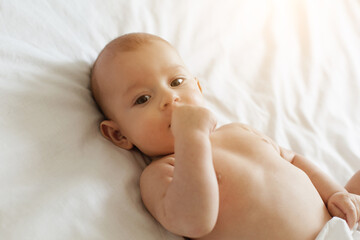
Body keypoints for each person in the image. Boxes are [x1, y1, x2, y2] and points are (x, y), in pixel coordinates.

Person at [90, 32, 360, 240]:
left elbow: (293, 159)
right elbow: (194, 221)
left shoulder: (238, 132)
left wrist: (336, 193)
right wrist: (191, 139)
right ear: (119, 135)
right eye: (143, 98)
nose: (170, 98)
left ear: (198, 87)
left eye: (176, 82)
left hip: (339, 227)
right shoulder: (162, 173)